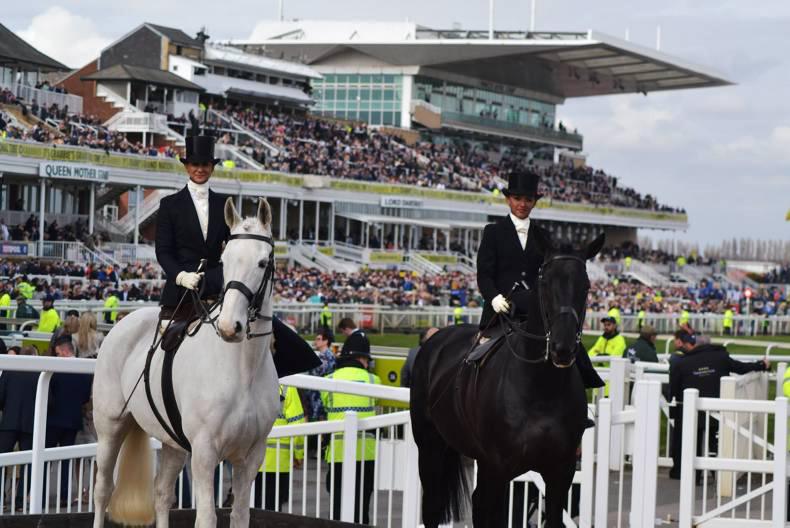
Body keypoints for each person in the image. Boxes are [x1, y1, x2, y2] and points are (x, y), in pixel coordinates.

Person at [154, 125, 318, 378]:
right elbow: (163, 251)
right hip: (181, 292)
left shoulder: (224, 204)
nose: (200, 169)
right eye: (195, 164)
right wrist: (181, 276)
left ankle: (270, 383)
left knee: (271, 331)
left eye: (205, 164)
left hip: (217, 285)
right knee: (167, 349)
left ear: (212, 167)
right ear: (187, 167)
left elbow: (234, 248)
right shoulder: (169, 205)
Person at [475, 170, 603, 390]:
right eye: (517, 198)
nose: (522, 204)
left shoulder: (544, 235)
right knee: (476, 360)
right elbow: (484, 274)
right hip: (501, 311)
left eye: (528, 200)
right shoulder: (493, 232)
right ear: (508, 200)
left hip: (537, 310)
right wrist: (494, 298)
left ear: (534, 202)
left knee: (570, 343)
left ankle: (582, 389)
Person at [667, 329, 769, 479]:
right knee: (714, 443)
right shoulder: (721, 357)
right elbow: (741, 368)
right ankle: (717, 474)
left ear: (695, 345)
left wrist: (674, 409)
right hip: (717, 408)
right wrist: (761, 365)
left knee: (692, 442)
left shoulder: (683, 362)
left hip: (691, 410)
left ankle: (693, 475)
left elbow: (674, 389)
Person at [321, 331, 381, 524]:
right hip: (365, 454)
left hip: (338, 453)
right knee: (361, 505)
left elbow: (325, 405)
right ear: (363, 358)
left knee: (338, 504)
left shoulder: (328, 380)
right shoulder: (374, 381)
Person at [46, 336, 93, 506]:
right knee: (66, 460)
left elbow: (48, 393)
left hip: (52, 420)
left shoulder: (54, 368)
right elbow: (85, 398)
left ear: (64, 350)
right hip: (73, 420)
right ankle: (64, 497)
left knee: (45, 459)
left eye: (58, 353)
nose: (57, 356)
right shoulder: (84, 370)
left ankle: (39, 495)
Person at [0, 344, 38, 510]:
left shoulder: (10, 371)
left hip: (9, 422)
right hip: (30, 424)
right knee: (27, 463)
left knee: (2, 460)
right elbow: (49, 401)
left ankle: (0, 499)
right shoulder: (39, 374)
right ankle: (21, 501)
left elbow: (0, 396)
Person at [256, 384, 305, 511]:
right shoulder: (288, 387)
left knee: (250, 507)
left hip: (249, 460)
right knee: (273, 509)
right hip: (278, 462)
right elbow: (297, 425)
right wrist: (298, 454)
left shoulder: (249, 380)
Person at [304, 330, 336, 422]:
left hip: (319, 394)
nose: (316, 341)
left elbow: (317, 372)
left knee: (319, 419)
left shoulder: (327, 356)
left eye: (318, 339)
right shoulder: (323, 355)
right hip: (316, 393)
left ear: (326, 341)